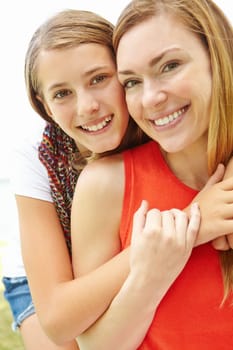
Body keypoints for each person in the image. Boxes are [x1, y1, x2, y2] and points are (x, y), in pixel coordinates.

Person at [3, 5, 232, 350]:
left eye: (100, 79)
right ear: (45, 106)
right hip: (43, 282)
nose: (87, 106)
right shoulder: (39, 157)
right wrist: (187, 224)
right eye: (62, 93)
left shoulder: (159, 117)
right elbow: (60, 320)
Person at [70, 1, 233, 349]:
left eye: (170, 66)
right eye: (131, 81)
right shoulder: (106, 184)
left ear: (217, 58)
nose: (151, 98)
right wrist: (153, 270)